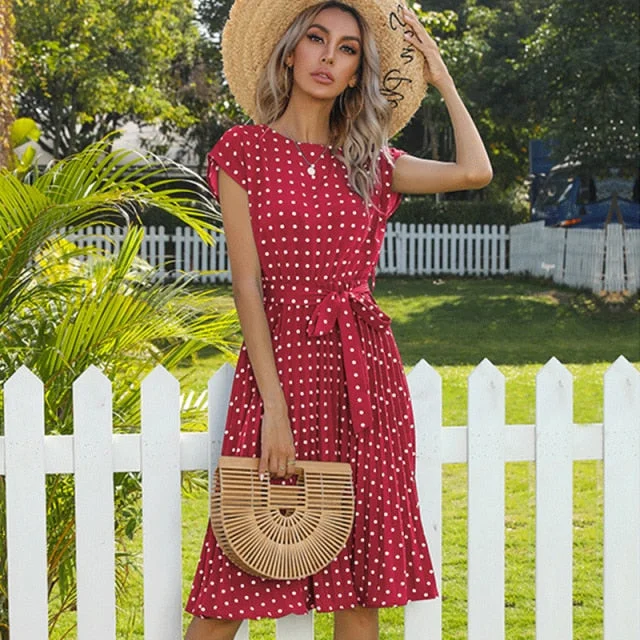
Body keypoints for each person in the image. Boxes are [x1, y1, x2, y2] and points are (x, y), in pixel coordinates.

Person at [185, 1, 492, 638]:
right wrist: (274, 407)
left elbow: (474, 170)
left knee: (360, 593)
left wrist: (442, 78)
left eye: (347, 49)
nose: (328, 57)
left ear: (357, 72)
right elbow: (247, 287)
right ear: (289, 52)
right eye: (316, 40)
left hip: (364, 378)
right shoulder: (244, 152)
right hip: (281, 375)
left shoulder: (374, 162)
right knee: (230, 585)